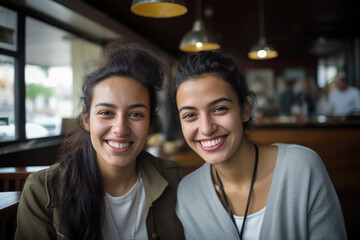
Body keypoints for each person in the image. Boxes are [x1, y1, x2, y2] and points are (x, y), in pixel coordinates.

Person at [15, 44, 185, 240]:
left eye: (136, 114)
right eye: (106, 113)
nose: (120, 129)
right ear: (86, 121)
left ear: (150, 125)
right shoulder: (42, 191)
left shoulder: (175, 179)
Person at [173, 50, 347, 240]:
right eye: (190, 115)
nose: (206, 128)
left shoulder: (301, 168)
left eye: (219, 109)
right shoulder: (188, 193)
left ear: (245, 110)